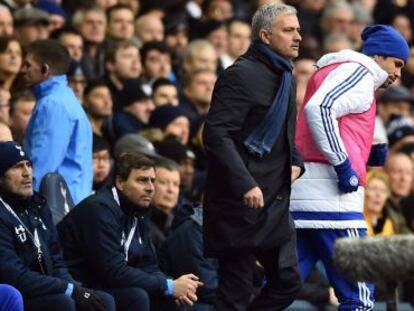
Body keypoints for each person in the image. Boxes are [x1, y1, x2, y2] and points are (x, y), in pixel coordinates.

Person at [291, 24, 410, 309]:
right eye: (397, 64)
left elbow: (319, 129)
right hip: (335, 205)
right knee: (360, 298)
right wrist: (345, 165)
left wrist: (365, 153)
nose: (398, 74)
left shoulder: (337, 70)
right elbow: (319, 110)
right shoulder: (359, 72)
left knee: (279, 290)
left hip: (305, 199)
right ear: (379, 55)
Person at [203, 3, 304, 310]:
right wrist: (246, 184)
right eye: (288, 30)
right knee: (235, 293)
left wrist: (296, 164)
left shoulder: (287, 75)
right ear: (265, 35)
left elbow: (288, 135)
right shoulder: (240, 75)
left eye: (298, 29)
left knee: (287, 283)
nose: (298, 36)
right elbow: (216, 135)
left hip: (274, 203)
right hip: (239, 204)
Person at [58, 153, 203, 311]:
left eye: (153, 181)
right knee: (136, 296)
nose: (150, 188)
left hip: (108, 283)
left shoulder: (138, 210)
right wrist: (168, 285)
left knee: (175, 302)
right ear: (120, 182)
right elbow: (112, 271)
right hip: (81, 285)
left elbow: (148, 265)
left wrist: (174, 287)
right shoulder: (98, 209)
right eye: (142, 180)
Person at [0, 141, 115, 311]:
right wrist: (68, 288)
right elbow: (13, 276)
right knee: (62, 303)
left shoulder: (38, 205)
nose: (27, 173)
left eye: (29, 165)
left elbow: (57, 260)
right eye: (17, 167)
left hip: (49, 287)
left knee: (103, 301)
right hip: (20, 294)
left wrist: (74, 288)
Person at [23, 39, 93, 205]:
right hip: (70, 203)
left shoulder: (53, 104)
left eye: (27, 65)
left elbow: (43, 164)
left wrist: (27, 204)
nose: (23, 70)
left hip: (58, 207)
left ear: (44, 70)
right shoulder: (65, 98)